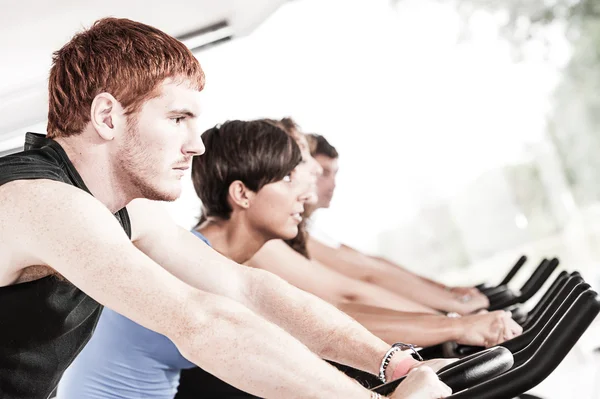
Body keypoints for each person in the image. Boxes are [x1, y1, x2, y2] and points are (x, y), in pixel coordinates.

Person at [0, 17, 452, 399]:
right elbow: (200, 322)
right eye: (178, 119)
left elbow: (247, 291)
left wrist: (388, 362)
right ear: (107, 116)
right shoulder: (37, 199)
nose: (196, 145)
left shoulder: (122, 209)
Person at [247, 120, 522, 347]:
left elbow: (367, 269)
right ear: (244, 190)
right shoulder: (262, 244)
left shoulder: (283, 232)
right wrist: (452, 320)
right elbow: (349, 296)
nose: (316, 176)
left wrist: (450, 309)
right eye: (295, 170)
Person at [304, 133, 490, 314]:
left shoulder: (310, 228)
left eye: (334, 174)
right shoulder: (299, 235)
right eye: (322, 173)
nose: (333, 184)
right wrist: (451, 311)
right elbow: (368, 276)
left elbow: (374, 264)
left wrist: (446, 291)